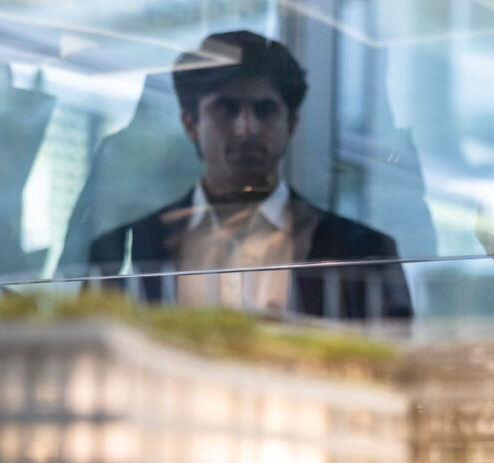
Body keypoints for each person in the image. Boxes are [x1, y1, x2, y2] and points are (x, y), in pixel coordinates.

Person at [83, 31, 413, 320]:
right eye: (226, 109)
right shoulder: (120, 250)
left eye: (264, 109)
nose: (246, 128)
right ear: (190, 123)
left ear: (292, 124)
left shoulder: (366, 252)